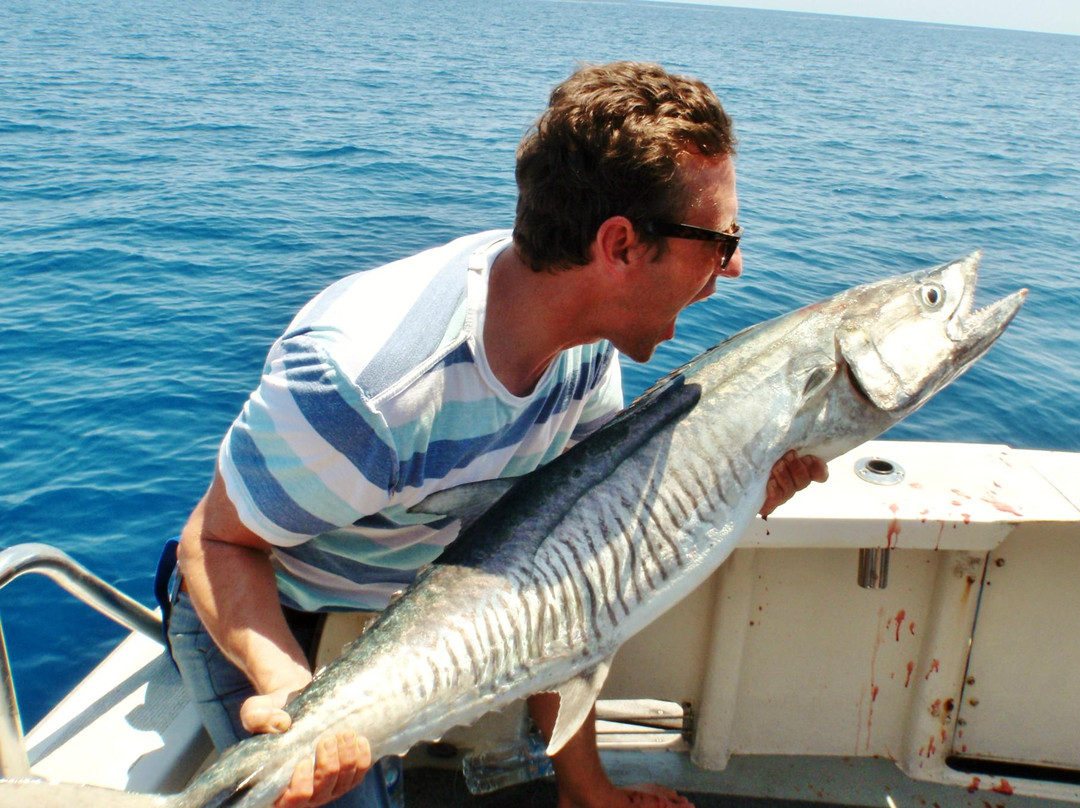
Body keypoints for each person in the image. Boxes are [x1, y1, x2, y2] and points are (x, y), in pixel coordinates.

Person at [165, 61, 828, 808]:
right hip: (270, 611)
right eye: (717, 238)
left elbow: (561, 571)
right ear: (620, 247)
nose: (734, 266)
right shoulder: (366, 386)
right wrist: (295, 699)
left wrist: (585, 790)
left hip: (413, 612)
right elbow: (214, 542)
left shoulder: (584, 344)